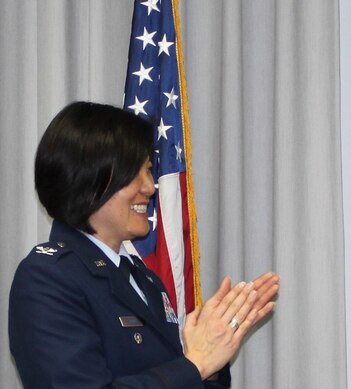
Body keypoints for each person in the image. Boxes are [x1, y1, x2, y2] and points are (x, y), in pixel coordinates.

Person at [8, 101, 281, 388]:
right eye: (134, 174)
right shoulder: (48, 278)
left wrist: (211, 361)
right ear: (88, 179)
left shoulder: (144, 279)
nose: (149, 187)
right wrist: (196, 364)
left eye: (148, 171)